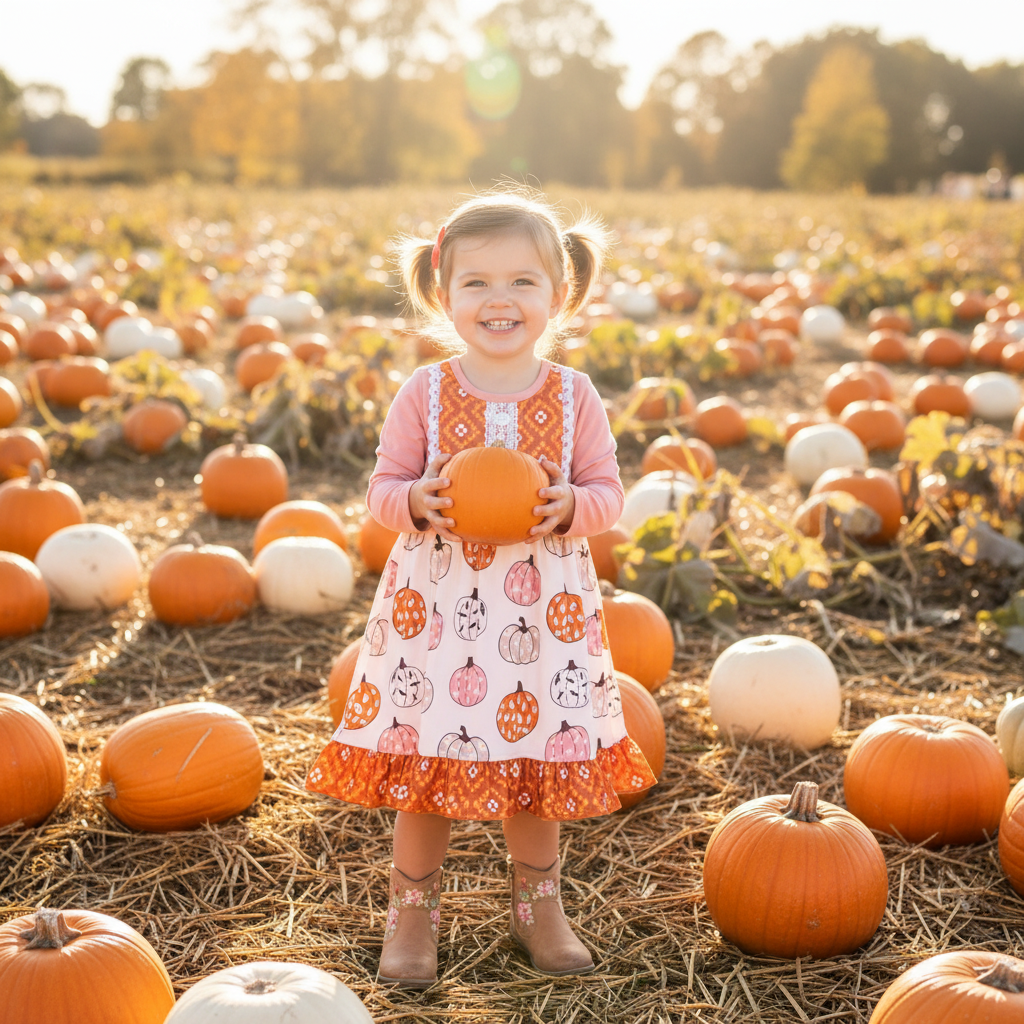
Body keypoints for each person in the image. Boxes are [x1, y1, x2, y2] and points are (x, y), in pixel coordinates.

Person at [306, 187, 657, 988]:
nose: (500, 300)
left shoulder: (574, 397)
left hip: (543, 617)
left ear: (559, 293)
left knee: (533, 770)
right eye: (477, 284)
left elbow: (608, 494)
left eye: (522, 282)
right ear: (442, 293)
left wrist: (573, 505)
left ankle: (540, 911)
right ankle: (413, 918)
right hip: (438, 619)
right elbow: (382, 488)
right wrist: (415, 501)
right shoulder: (425, 393)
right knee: (428, 766)